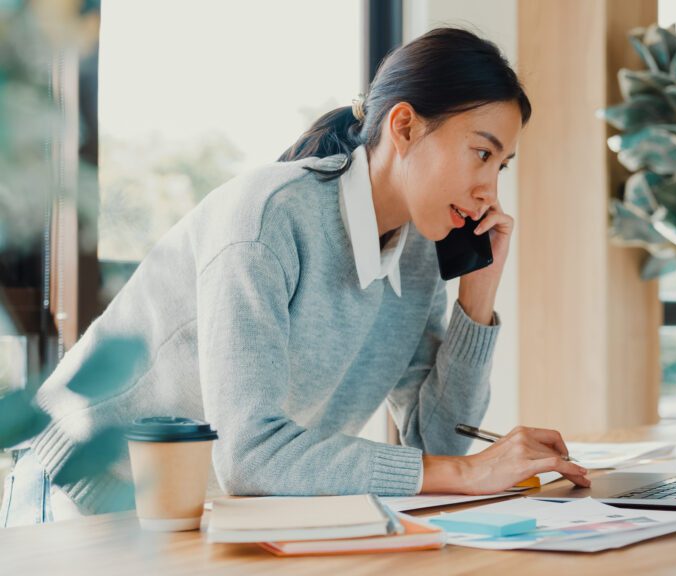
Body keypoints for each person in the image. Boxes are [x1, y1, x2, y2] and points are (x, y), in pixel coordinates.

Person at [0, 27, 589, 527]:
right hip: (77, 497)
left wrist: (477, 300)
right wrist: (464, 472)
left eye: (502, 165)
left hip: (201, 511)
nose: (491, 189)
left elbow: (436, 447)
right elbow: (251, 455)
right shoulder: (267, 217)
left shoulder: (416, 253)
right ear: (405, 127)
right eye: (482, 154)